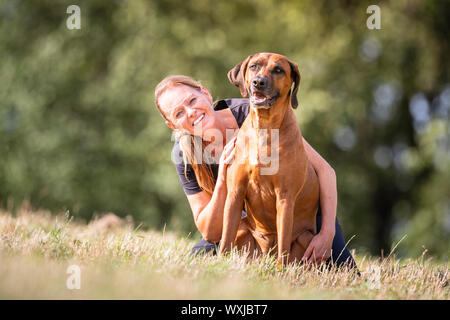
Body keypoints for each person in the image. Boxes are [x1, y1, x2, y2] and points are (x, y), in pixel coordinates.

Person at [155, 75, 357, 268]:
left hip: (299, 211)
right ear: (172, 125)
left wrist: (327, 232)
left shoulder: (253, 114)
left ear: (206, 94)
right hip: (248, 223)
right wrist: (224, 177)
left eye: (192, 100)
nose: (190, 112)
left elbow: (325, 170)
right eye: (179, 113)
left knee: (343, 270)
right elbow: (210, 232)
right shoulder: (186, 153)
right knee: (198, 262)